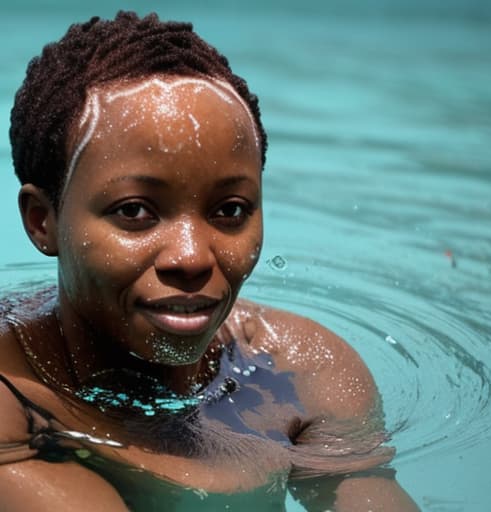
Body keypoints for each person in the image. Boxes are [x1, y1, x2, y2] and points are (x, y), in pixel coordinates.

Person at [0, 11, 419, 511]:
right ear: (43, 222)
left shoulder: (303, 375)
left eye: (230, 210)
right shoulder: (14, 399)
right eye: (135, 211)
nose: (192, 257)